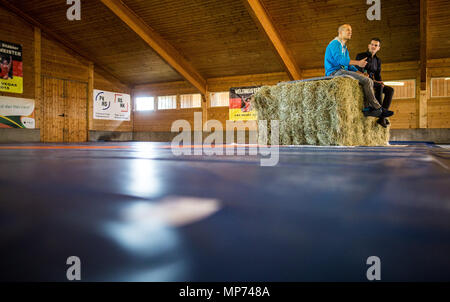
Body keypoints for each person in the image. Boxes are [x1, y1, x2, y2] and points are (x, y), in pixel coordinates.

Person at [324, 24, 393, 120]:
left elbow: (349, 65)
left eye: (351, 30)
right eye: (347, 30)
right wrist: (358, 63)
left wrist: (361, 73)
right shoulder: (335, 43)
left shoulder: (344, 47)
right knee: (367, 81)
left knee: (367, 79)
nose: (350, 32)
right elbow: (340, 60)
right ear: (340, 32)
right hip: (334, 72)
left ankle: (372, 108)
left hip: (342, 70)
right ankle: (377, 108)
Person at [356, 38, 394, 128]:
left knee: (390, 90)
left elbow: (378, 75)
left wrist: (381, 81)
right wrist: (365, 75)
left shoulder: (378, 61)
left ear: (378, 48)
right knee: (379, 86)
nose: (373, 46)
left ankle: (382, 118)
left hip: (373, 81)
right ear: (369, 46)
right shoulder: (361, 55)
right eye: (372, 44)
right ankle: (378, 111)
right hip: (364, 80)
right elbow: (358, 70)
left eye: (376, 45)